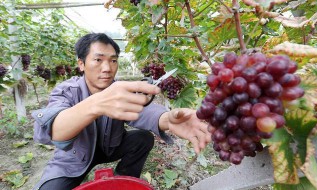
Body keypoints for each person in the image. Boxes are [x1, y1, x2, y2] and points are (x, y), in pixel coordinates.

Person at [32, 33, 211, 190]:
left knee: (143, 138)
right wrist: (95, 104)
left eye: (113, 60)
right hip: (74, 158)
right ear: (81, 64)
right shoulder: (67, 90)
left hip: (111, 147)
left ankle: (124, 179)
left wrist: (168, 119)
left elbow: (142, 113)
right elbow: (51, 130)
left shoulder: (118, 90)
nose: (107, 68)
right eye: (98, 60)